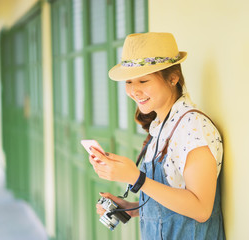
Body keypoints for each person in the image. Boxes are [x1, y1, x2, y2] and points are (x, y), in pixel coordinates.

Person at [89, 32, 225, 239]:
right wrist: (133, 208)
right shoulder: (161, 126)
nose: (134, 91)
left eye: (143, 81)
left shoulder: (193, 128)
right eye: (129, 82)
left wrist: (136, 178)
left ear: (173, 77)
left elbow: (201, 209)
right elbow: (173, 205)